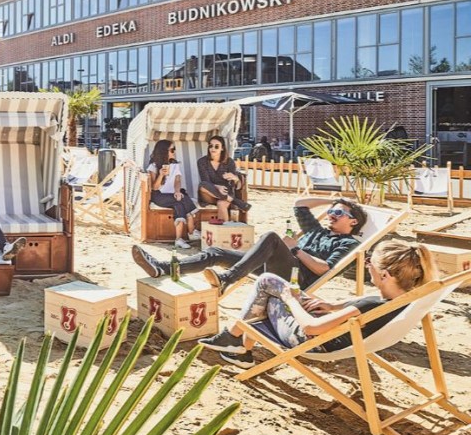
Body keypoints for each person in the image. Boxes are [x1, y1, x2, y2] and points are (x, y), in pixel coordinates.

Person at [198, 240, 434, 368]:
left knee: (268, 282)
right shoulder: (404, 298)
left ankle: (236, 342)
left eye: (370, 265)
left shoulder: (371, 304)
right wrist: (331, 306)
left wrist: (291, 299)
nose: (366, 267)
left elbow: (311, 329)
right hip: (333, 340)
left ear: (385, 275)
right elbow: (360, 305)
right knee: (278, 289)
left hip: (311, 342)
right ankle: (239, 345)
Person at [132, 196, 366, 293]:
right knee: (214, 252)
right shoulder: (317, 229)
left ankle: (227, 279)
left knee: (272, 237)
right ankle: (164, 268)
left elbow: (324, 269)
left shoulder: (348, 243)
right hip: (278, 267)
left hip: (298, 279)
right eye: (332, 212)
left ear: (353, 222)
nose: (332, 215)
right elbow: (300, 204)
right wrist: (334, 199)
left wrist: (296, 249)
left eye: (338, 213)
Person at [146, 139, 200, 249]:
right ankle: (191, 230)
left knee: (179, 204)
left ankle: (178, 239)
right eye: (172, 149)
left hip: (172, 195)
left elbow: (177, 181)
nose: (174, 152)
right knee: (183, 201)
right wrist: (161, 175)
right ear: (164, 151)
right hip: (159, 196)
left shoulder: (175, 165)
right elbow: (154, 188)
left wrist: (177, 191)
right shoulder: (154, 166)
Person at [196, 135, 250, 221]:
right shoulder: (202, 162)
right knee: (202, 185)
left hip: (226, 193)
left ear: (222, 148)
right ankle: (234, 200)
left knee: (221, 203)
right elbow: (206, 181)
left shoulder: (229, 162)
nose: (213, 148)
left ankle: (224, 232)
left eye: (216, 146)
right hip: (209, 195)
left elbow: (236, 186)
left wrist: (235, 178)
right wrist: (217, 187)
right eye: (211, 146)